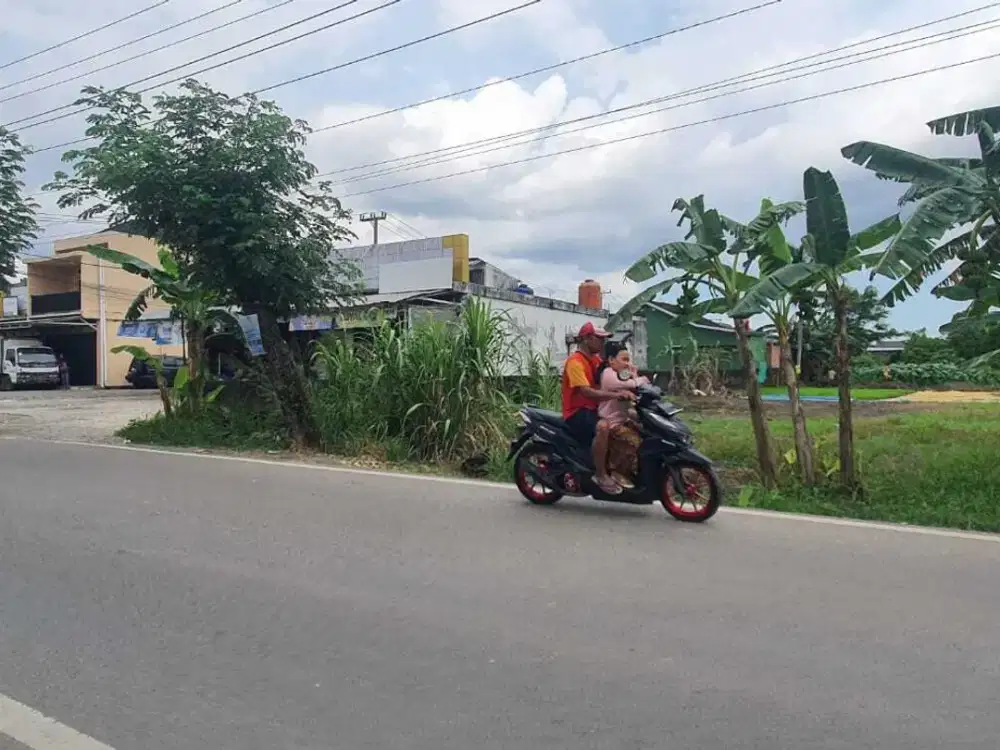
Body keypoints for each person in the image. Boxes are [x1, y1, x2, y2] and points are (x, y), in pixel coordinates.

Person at [561, 322, 635, 494]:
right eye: (599, 339)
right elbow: (586, 392)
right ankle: (600, 474)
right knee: (603, 427)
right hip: (577, 412)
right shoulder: (575, 362)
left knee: (629, 421)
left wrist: (631, 375)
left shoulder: (595, 360)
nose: (602, 343)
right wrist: (616, 395)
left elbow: (613, 372)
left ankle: (620, 469)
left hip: (594, 409)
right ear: (587, 339)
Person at [598, 343, 649, 489]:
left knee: (647, 435)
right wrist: (641, 379)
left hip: (624, 420)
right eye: (624, 359)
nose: (628, 363)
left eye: (629, 359)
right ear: (611, 360)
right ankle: (617, 472)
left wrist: (633, 372)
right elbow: (628, 384)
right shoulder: (608, 373)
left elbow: (632, 382)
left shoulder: (621, 373)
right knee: (634, 441)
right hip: (611, 422)